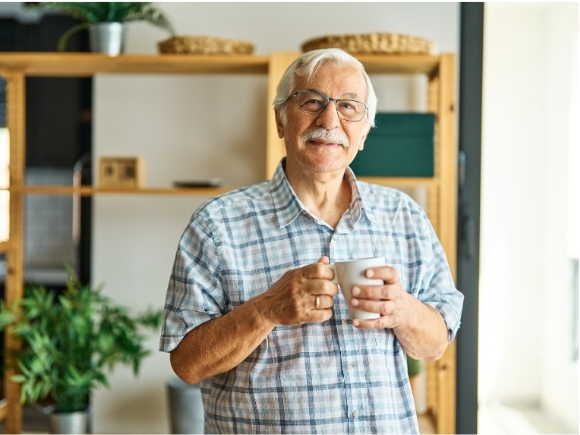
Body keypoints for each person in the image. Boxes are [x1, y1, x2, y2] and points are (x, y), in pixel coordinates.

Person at [160, 48, 464, 434]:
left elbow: (435, 344)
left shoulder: (404, 216)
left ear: (366, 131)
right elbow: (187, 364)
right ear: (281, 119)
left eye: (350, 107)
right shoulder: (217, 225)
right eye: (313, 101)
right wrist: (266, 310)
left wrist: (403, 310)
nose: (330, 120)